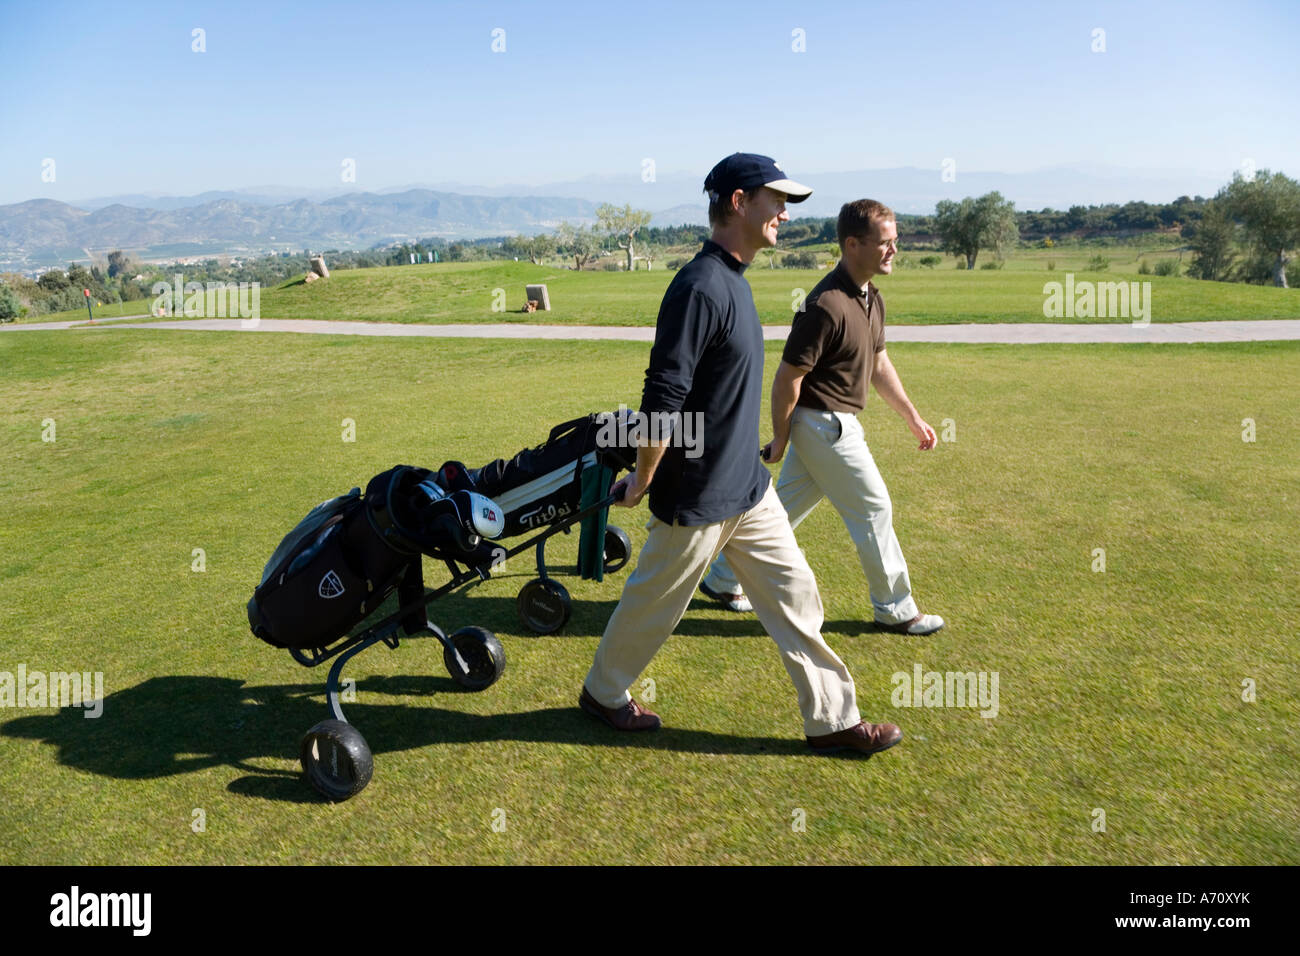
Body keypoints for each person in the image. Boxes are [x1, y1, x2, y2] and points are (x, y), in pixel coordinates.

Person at [578, 154, 902, 757]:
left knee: (798, 596)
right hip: (700, 492)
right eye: (773, 200)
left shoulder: (733, 278)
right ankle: (602, 693)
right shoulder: (700, 286)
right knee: (653, 603)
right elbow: (663, 396)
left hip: (748, 488)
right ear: (737, 203)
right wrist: (644, 479)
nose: (782, 212)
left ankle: (834, 720)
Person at [699, 199, 945, 637]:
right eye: (884, 243)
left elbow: (879, 364)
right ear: (853, 245)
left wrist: (912, 415)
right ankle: (894, 608)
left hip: (833, 424)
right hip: (824, 427)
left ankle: (722, 579)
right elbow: (787, 376)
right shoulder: (825, 304)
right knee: (874, 508)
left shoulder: (871, 297)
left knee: (781, 509)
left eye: (895, 242)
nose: (893, 251)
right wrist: (780, 436)